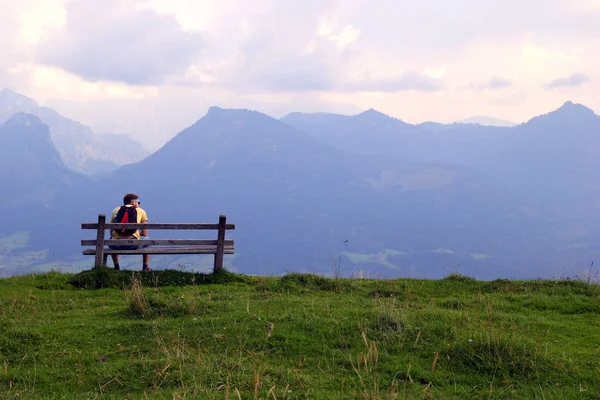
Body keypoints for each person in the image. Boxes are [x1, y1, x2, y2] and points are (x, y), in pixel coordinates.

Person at [109, 193, 151, 271]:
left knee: (111, 238)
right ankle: (145, 268)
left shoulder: (115, 210)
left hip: (116, 245)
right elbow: (145, 233)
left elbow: (111, 232)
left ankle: (116, 267)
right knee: (147, 239)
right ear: (132, 202)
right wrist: (136, 234)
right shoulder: (141, 211)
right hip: (133, 244)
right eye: (138, 201)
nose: (139, 204)